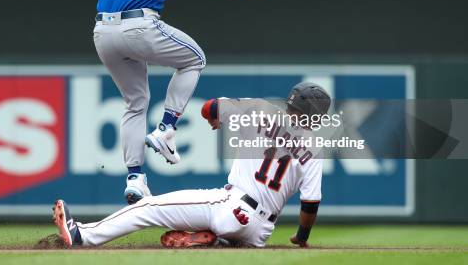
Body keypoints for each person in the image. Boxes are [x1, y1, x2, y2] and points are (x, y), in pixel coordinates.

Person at [13, 0, 263, 204]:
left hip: (103, 31)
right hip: (139, 25)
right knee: (194, 58)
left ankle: (135, 178)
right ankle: (167, 128)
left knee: (135, 102)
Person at [50, 82, 331, 248]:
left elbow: (209, 107)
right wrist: (301, 236)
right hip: (260, 230)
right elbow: (310, 203)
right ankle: (212, 239)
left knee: (147, 207)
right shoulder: (314, 149)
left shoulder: (260, 110)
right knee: (234, 238)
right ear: (317, 118)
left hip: (232, 205)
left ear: (290, 102)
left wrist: (215, 118)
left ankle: (81, 235)